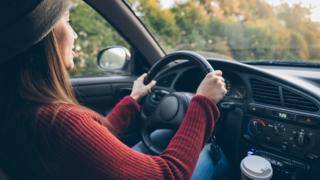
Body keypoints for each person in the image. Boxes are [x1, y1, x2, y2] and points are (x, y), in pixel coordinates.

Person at [0, 0, 229, 179]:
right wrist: (203, 102)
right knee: (212, 153)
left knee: (161, 136)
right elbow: (167, 175)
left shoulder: (23, 112)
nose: (75, 34)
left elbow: (97, 138)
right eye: (68, 21)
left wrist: (134, 97)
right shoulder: (57, 123)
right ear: (44, 35)